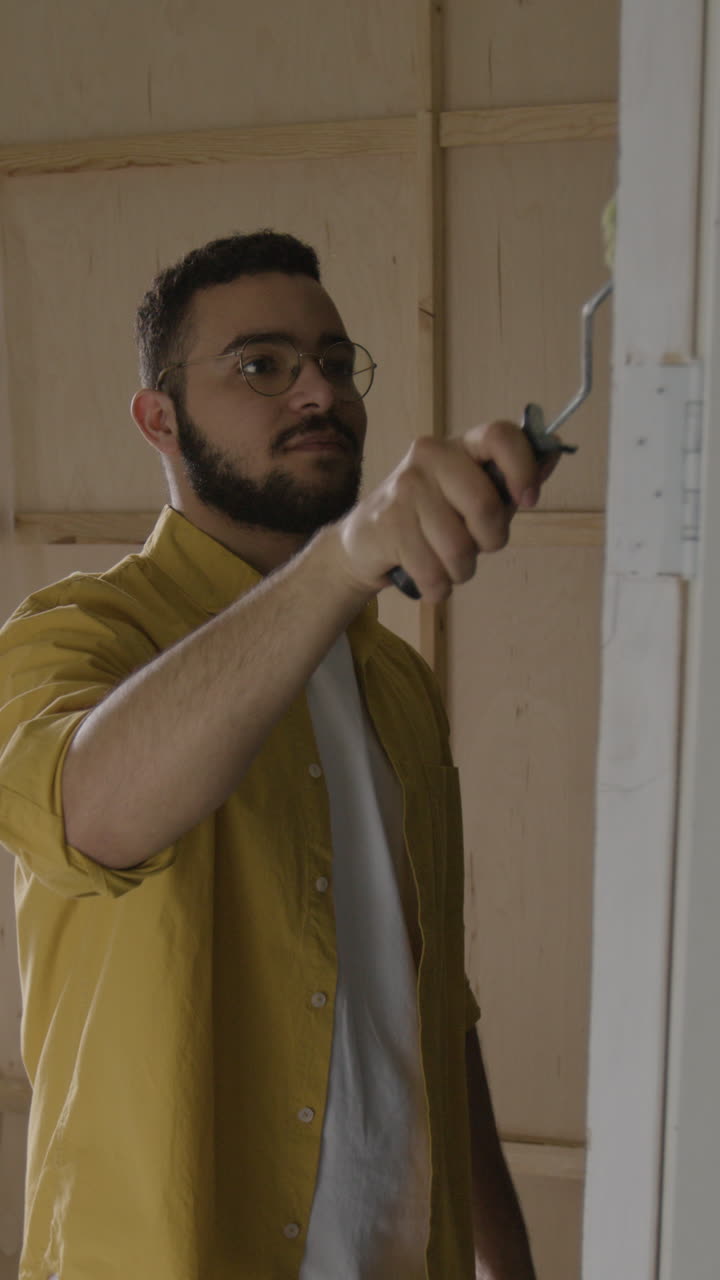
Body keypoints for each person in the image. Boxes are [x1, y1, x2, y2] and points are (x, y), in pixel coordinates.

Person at [0, 230, 551, 1280]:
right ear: (159, 419)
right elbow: (88, 813)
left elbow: (436, 997)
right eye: (262, 364)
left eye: (336, 362)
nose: (319, 393)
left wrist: (506, 1254)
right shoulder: (74, 637)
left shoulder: (396, 684)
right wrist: (341, 562)